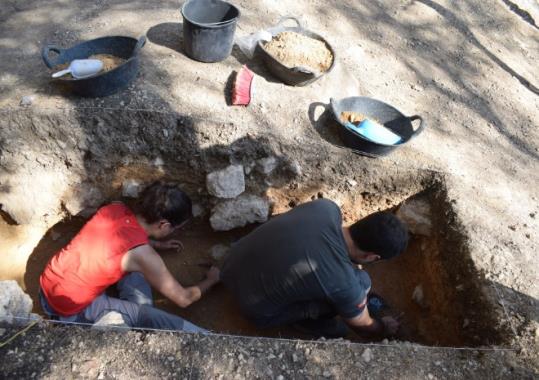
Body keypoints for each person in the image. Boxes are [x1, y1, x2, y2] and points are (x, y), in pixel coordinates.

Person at [39, 181, 220, 332]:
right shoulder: (144, 256)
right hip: (68, 309)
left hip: (49, 283)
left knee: (136, 268)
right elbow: (183, 298)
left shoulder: (115, 208)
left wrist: (157, 244)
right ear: (164, 224)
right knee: (149, 315)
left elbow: (123, 238)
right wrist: (211, 280)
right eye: (175, 228)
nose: (175, 231)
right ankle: (207, 339)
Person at [221, 198, 408, 338]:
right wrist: (383, 327)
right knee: (363, 282)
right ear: (372, 257)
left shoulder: (326, 208)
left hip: (228, 266)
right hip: (256, 311)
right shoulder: (344, 284)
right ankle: (308, 324)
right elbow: (364, 327)